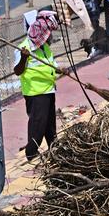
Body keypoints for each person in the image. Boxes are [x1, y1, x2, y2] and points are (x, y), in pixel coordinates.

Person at [14, 10, 69, 161]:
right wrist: (24, 58)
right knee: (37, 125)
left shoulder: (45, 48)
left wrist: (62, 70)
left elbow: (52, 66)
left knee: (49, 124)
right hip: (35, 93)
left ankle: (54, 148)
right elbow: (18, 71)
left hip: (49, 90)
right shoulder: (23, 48)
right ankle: (31, 153)